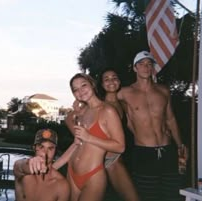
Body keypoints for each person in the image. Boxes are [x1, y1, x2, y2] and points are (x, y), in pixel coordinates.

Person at [117, 51, 188, 201]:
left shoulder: (163, 91)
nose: (146, 67)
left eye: (149, 64)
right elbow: (106, 104)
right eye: (141, 64)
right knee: (148, 196)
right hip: (143, 153)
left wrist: (180, 145)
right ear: (135, 68)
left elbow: (171, 119)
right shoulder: (125, 93)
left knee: (172, 194)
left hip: (167, 150)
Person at [53, 73, 125, 201]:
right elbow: (75, 137)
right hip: (72, 171)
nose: (80, 91)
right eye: (75, 90)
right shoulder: (82, 112)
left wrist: (89, 137)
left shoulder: (108, 111)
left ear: (92, 84)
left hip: (93, 175)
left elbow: (120, 147)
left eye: (84, 85)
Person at [98, 68, 140, 201]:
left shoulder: (123, 105)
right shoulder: (99, 105)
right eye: (106, 79)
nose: (111, 81)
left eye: (114, 77)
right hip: (102, 160)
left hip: (119, 157)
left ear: (119, 81)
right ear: (102, 84)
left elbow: (132, 127)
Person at [13, 129, 70, 201]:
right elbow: (19, 166)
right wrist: (29, 162)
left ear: (55, 151)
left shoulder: (62, 186)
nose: (45, 152)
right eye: (41, 147)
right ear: (34, 148)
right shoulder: (22, 172)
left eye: (50, 148)